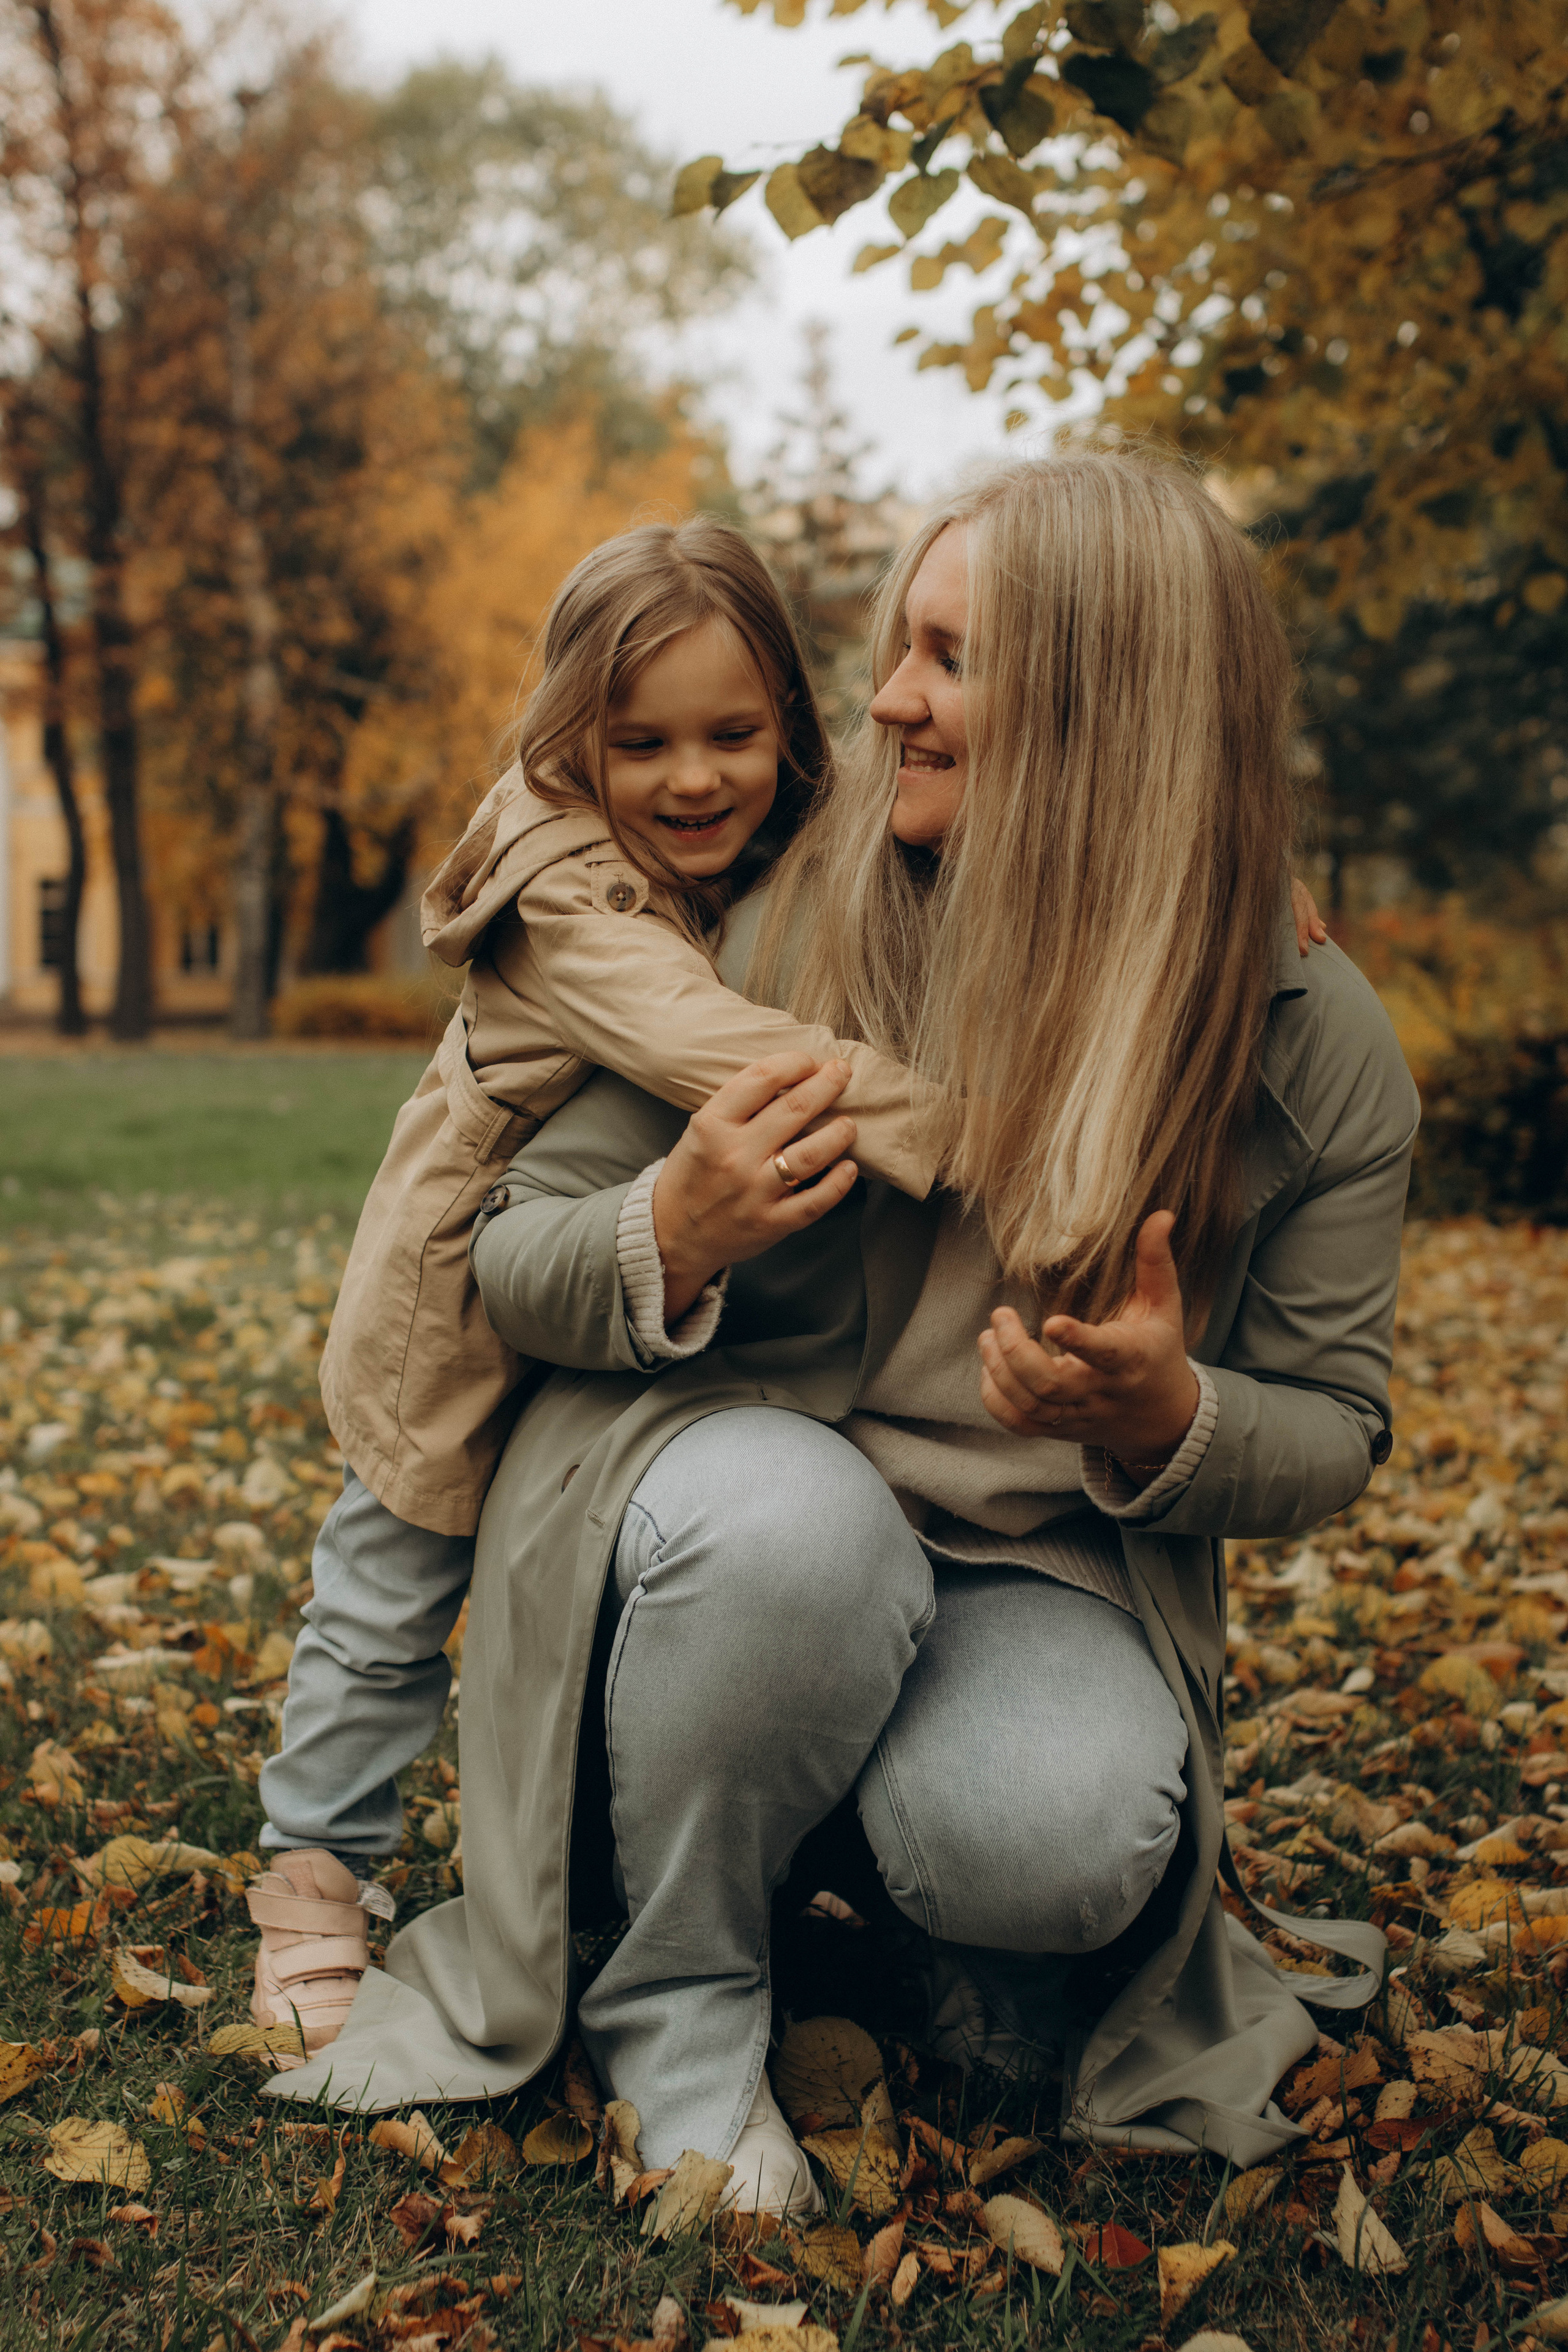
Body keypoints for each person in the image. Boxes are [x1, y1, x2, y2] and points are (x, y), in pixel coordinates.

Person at [265, 454, 1381, 2229]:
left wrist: (1176, 1415)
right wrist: (673, 1229)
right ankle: (683, 1994)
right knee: (798, 1534)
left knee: (1062, 1831)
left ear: (1109, 714)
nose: (883, 702)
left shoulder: (1304, 1034)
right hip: (723, 1506)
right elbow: (521, 1261)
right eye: (894, 648)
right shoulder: (777, 912)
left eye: (945, 659)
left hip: (1033, 1565)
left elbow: (1333, 1425)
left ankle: (854, 1905)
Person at [246, 519, 943, 2065]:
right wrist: (983, 1145)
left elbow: (971, 838)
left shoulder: (781, 846)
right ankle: (312, 1879)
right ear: (572, 740)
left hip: (611, 1298)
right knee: (388, 1586)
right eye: (640, 745)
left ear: (788, 727)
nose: (693, 780)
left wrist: (1227, 893)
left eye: (733, 736)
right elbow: (730, 1055)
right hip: (459, 1298)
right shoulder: (562, 886)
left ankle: (607, 1847)